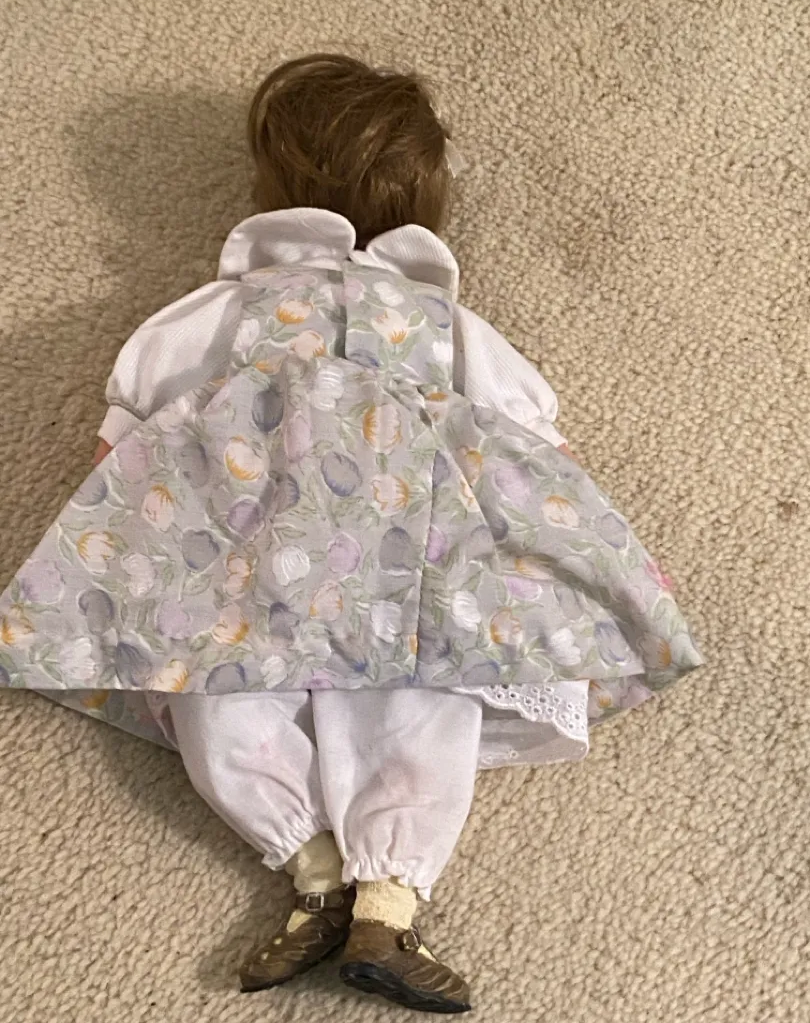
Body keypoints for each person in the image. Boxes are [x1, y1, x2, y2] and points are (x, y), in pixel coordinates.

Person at [0, 54, 702, 1015]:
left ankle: (314, 868)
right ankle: (386, 901)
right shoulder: (448, 324)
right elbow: (532, 442)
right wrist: (570, 542)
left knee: (214, 683)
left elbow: (129, 429)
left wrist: (117, 538)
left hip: (236, 549)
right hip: (414, 555)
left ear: (269, 189)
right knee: (424, 692)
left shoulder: (210, 315)